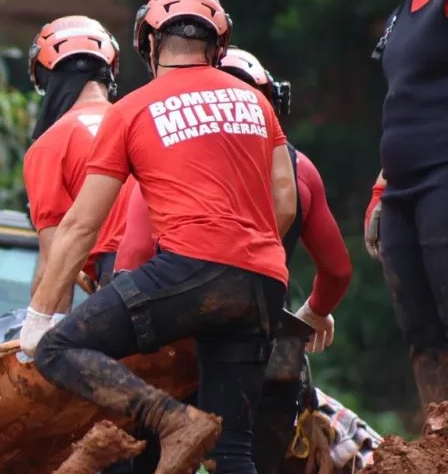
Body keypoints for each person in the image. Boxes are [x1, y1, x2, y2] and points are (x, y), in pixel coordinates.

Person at [19, 0, 298, 474]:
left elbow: (82, 225)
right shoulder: (258, 106)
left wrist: (39, 320)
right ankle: (184, 424)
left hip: (188, 267)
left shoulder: (131, 109)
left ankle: (170, 419)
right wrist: (243, 254)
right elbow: (285, 201)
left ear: (149, 43)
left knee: (59, 350)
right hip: (263, 281)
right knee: (233, 449)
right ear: (219, 46)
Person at [118, 46, 353, 473]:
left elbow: (131, 260)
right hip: (264, 345)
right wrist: (316, 313)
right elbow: (337, 270)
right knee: (245, 459)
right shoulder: (300, 171)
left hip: (181, 350)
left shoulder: (166, 163)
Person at [356, 0, 448, 408]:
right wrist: (380, 189)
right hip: (402, 187)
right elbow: (402, 102)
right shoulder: (406, 6)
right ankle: (441, 435)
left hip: (443, 175)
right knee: (420, 326)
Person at [23, 15, 137, 310]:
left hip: (122, 280)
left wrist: (36, 336)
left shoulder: (51, 145)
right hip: (184, 273)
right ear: (109, 73)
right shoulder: (138, 121)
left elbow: (54, 269)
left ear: (45, 79)